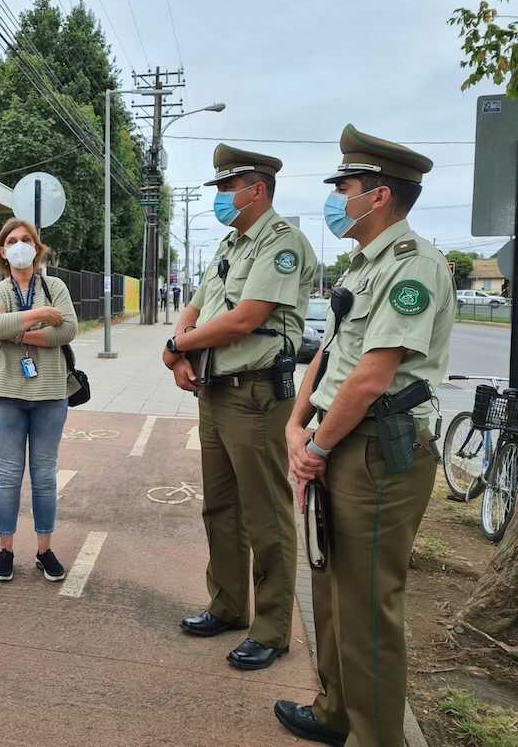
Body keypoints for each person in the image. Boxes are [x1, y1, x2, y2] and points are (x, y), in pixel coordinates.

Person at [276, 125, 453, 747]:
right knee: (329, 588)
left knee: (368, 608)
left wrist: (316, 448)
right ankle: (334, 712)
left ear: (378, 197)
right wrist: (298, 426)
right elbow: (327, 356)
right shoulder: (362, 265)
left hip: (380, 451)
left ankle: (378, 737)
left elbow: (374, 377)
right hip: (340, 442)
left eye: (344, 187)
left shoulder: (415, 268)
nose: (337, 199)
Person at [162, 144, 317, 671]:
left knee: (265, 515)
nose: (222, 198)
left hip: (256, 395)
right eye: (220, 189)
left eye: (229, 188)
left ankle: (272, 630)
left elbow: (246, 318)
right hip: (216, 390)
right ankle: (227, 605)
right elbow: (199, 305)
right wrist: (175, 346)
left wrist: (181, 346)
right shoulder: (230, 245)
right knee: (220, 507)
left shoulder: (282, 245)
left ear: (258, 189)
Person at [0, 218, 78, 582]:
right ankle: (5, 550)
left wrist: (19, 332)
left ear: (37, 248)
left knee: (44, 476)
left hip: (51, 393)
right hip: (6, 393)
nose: (20, 245)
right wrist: (40, 317)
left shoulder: (55, 286)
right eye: (12, 241)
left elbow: (67, 329)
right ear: (3, 251)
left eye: (27, 240)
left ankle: (44, 549)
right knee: (8, 475)